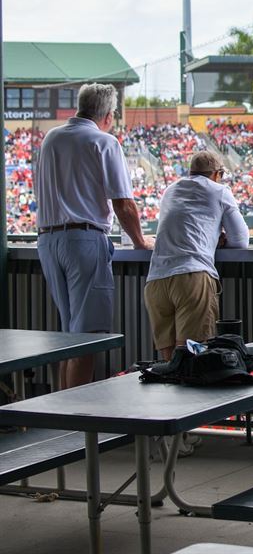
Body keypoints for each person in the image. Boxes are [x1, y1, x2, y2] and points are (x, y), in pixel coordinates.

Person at [35, 83, 153, 389]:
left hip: (48, 241)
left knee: (69, 336)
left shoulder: (51, 138)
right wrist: (140, 241)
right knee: (87, 339)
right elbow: (124, 204)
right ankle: (76, 424)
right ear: (109, 115)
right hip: (84, 241)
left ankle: (61, 415)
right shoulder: (104, 141)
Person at [145, 151, 250, 361]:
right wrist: (218, 239)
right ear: (217, 174)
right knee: (194, 356)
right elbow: (240, 240)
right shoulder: (220, 190)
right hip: (191, 276)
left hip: (156, 280)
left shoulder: (170, 190)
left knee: (169, 362)